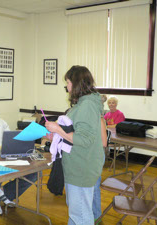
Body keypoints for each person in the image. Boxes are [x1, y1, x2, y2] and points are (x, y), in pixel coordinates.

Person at [45, 66, 104, 225]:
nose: (67, 88)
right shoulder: (85, 103)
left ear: (76, 83)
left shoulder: (87, 105)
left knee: (81, 215)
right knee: (77, 213)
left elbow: (84, 140)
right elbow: (75, 132)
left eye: (68, 83)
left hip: (81, 167)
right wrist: (56, 134)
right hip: (78, 165)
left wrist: (58, 129)